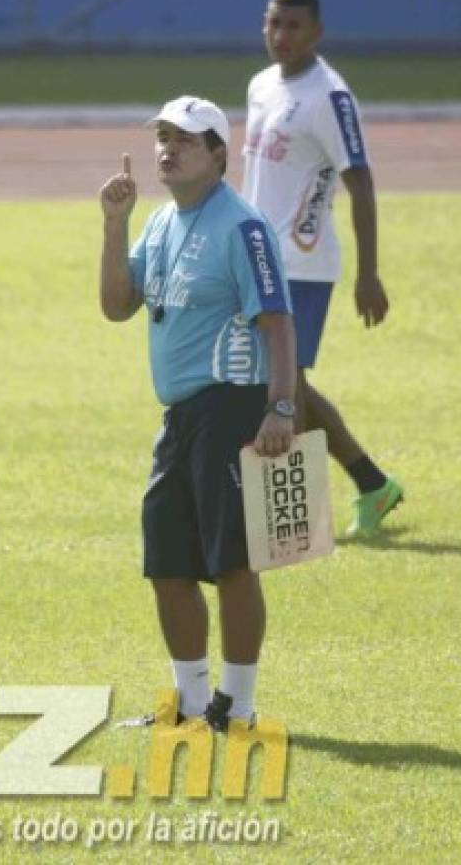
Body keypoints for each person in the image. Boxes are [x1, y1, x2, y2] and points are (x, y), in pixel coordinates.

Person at [98, 97, 296, 730]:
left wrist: (281, 407)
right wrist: (114, 223)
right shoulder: (158, 223)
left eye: (185, 139)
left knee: (232, 560)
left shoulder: (242, 226)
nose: (167, 148)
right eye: (162, 136)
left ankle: (237, 706)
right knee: (168, 563)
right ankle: (187, 703)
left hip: (233, 404)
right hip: (181, 416)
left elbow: (278, 321)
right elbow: (116, 305)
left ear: (218, 155)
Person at [242, 0, 403, 536]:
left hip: (303, 265)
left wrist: (369, 272)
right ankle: (370, 483)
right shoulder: (261, 86)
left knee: (283, 386)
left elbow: (360, 183)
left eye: (292, 26)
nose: (279, 35)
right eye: (272, 23)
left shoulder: (329, 97)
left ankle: (294, 518)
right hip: (257, 259)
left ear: (317, 32)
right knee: (288, 385)